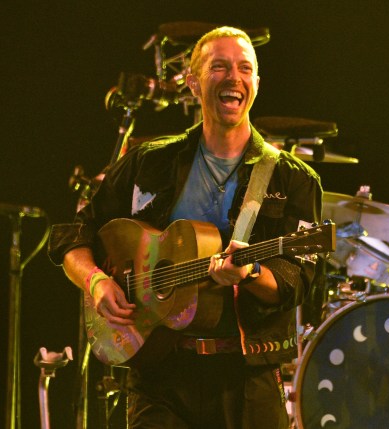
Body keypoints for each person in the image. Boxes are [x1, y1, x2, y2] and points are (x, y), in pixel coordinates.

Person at [49, 26, 323, 429]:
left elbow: (298, 280)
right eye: (219, 67)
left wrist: (249, 272)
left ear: (257, 84)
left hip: (245, 380)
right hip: (158, 375)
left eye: (245, 69)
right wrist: (96, 283)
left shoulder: (292, 179)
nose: (234, 78)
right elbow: (77, 233)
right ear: (193, 83)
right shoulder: (149, 162)